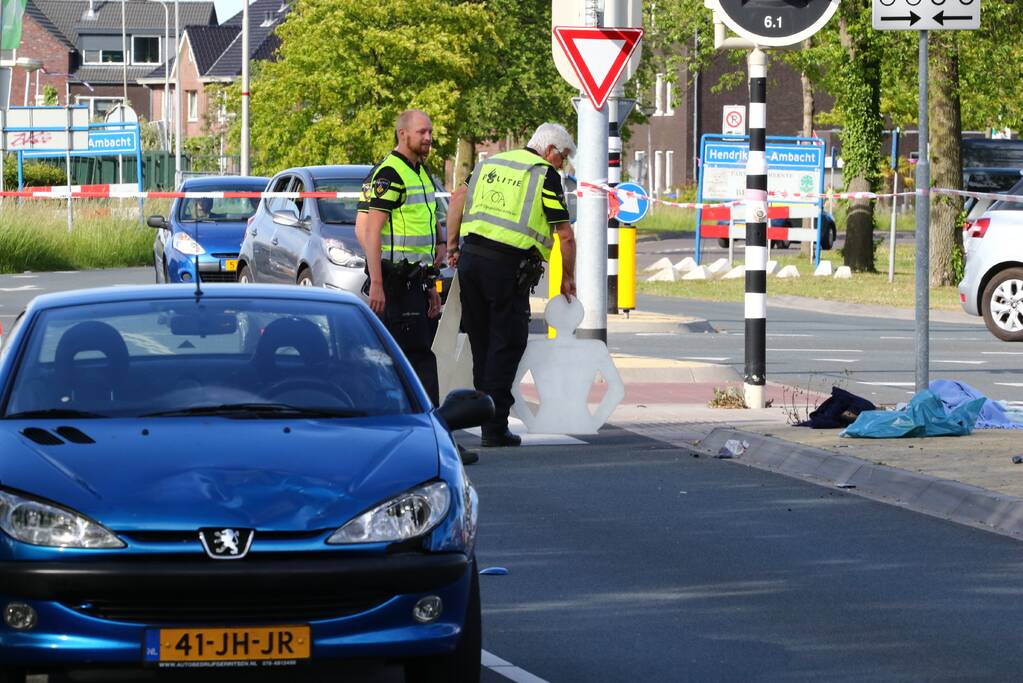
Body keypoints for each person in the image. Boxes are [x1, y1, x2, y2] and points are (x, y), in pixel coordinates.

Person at [356, 110, 478, 465]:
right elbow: (368, 230)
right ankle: (437, 444)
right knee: (417, 362)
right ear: (402, 133)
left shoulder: (420, 172)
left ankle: (410, 439)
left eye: (430, 132)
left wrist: (430, 284)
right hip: (394, 282)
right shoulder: (390, 173)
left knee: (406, 362)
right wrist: (377, 281)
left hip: (414, 281)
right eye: (422, 132)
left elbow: (423, 226)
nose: (428, 137)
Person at [445, 122, 577, 448]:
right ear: (550, 151)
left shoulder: (489, 164)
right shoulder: (544, 173)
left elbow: (457, 200)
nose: (563, 164)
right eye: (564, 157)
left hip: (472, 261)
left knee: (481, 342)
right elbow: (565, 234)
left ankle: (481, 415)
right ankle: (495, 426)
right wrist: (567, 278)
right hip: (506, 268)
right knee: (507, 343)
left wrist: (451, 247)